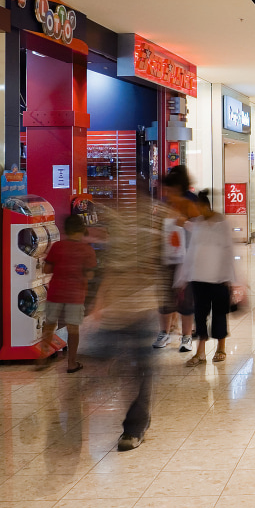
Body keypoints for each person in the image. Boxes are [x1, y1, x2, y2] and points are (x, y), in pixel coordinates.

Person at [85, 174, 179, 452]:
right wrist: (100, 303)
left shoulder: (157, 219)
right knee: (132, 368)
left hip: (141, 308)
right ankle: (134, 424)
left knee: (140, 369)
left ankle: (135, 426)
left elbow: (166, 263)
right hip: (122, 308)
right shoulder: (122, 223)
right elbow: (111, 266)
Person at [176, 190, 240, 367]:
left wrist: (233, 279)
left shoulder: (222, 223)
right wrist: (182, 279)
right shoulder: (197, 224)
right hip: (199, 278)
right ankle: (200, 352)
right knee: (200, 315)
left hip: (219, 278)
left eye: (196, 207)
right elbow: (191, 252)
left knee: (219, 314)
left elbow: (228, 251)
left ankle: (221, 348)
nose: (194, 211)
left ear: (204, 206)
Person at [39, 214, 97, 373]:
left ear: (66, 229)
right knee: (73, 329)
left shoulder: (57, 247)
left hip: (55, 293)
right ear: (82, 229)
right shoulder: (88, 250)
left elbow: (46, 269)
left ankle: (43, 358)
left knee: (50, 324)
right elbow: (90, 275)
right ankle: (71, 363)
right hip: (75, 295)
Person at [152, 167, 197, 350]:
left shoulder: (192, 203)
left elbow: (203, 230)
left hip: (186, 259)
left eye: (171, 188)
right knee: (164, 298)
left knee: (186, 299)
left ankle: (186, 336)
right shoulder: (164, 203)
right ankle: (165, 332)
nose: (167, 192)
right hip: (165, 257)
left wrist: (184, 223)